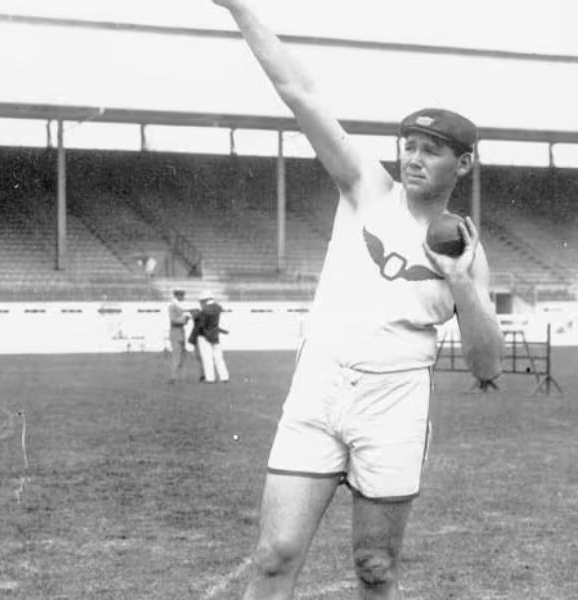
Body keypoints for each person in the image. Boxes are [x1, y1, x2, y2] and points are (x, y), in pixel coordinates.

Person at [210, 1, 504, 597]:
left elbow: (488, 366)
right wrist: (240, 7)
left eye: (433, 148)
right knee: (274, 555)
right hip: (320, 386)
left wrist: (459, 282)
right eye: (409, 144)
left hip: (394, 401)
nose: (414, 156)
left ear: (463, 163)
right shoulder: (367, 187)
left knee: (375, 567)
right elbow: (299, 92)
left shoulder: (467, 249)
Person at [191, 290, 230, 383]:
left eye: (201, 301)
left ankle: (210, 378)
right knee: (219, 357)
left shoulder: (205, 310)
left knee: (207, 358)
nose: (200, 304)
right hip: (215, 335)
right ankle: (224, 377)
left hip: (204, 336)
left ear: (205, 300)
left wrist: (195, 317)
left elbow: (201, 324)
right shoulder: (218, 307)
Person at [167, 289, 192, 383]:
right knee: (176, 357)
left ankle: (177, 377)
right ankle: (173, 377)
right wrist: (185, 318)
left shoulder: (177, 306)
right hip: (176, 334)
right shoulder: (172, 306)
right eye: (182, 295)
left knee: (180, 357)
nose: (183, 297)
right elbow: (173, 320)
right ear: (177, 296)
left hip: (180, 334)